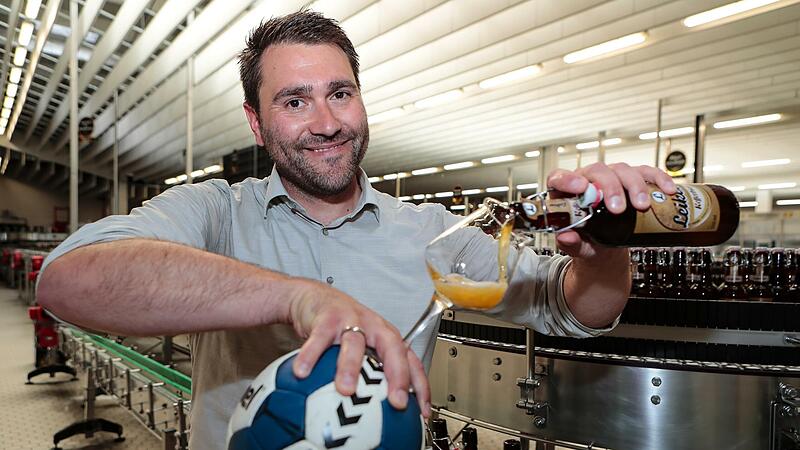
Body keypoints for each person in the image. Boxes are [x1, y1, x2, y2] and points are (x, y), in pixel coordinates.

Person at [36, 11, 677, 450]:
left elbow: (576, 308)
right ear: (256, 125)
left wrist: (607, 248)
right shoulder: (216, 214)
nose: (326, 121)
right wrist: (295, 296)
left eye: (340, 93)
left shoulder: (432, 236)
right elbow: (69, 281)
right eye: (294, 101)